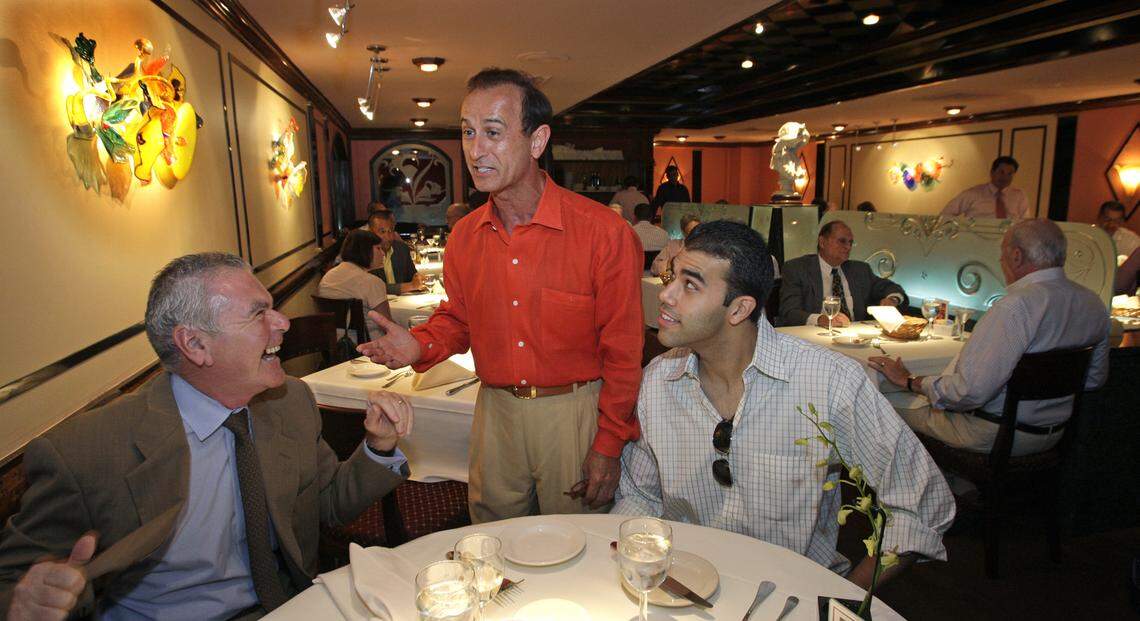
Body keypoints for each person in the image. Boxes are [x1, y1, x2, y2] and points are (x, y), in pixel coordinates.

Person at [0, 253, 412, 618]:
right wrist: (24, 599)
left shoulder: (290, 402)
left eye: (273, 308)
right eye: (258, 314)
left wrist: (378, 447)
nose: (283, 322)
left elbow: (327, 504)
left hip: (291, 605)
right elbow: (12, 578)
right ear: (196, 345)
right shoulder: (88, 451)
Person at [358, 68, 644, 523]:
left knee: (577, 547)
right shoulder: (466, 236)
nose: (475, 150)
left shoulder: (602, 233)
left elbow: (625, 354)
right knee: (492, 545)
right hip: (494, 412)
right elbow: (459, 320)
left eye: (492, 132)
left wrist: (609, 445)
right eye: (468, 133)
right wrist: (417, 344)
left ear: (537, 141)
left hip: (571, 413)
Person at [614, 221, 953, 587]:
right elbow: (640, 495)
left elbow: (922, 505)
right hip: (685, 585)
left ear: (739, 309)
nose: (666, 296)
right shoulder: (658, 382)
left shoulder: (828, 383)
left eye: (690, 285)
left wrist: (846, 600)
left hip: (793, 594)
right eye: (672, 277)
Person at [870, 219, 1109, 456]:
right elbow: (1094, 379)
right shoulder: (1093, 303)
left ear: (1016, 256)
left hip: (995, 433)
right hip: (1056, 434)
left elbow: (970, 392)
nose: (1001, 261)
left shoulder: (1015, 307)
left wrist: (910, 381)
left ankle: (920, 489)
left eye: (1002, 254)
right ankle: (953, 482)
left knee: (881, 404)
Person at [777, 221, 907, 328]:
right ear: (822, 242)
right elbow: (789, 312)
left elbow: (892, 288)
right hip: (814, 339)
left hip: (855, 338)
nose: (848, 247)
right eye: (842, 241)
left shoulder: (860, 270)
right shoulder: (798, 269)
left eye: (850, 242)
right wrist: (820, 319)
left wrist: (892, 299)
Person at [319, 229, 394, 341]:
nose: (383, 253)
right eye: (378, 248)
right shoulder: (371, 282)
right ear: (364, 250)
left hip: (334, 343)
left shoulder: (327, 277)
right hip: (370, 345)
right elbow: (387, 325)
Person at [941, 156, 1028, 219]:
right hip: (977, 241)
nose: (1005, 177)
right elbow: (945, 214)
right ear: (992, 172)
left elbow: (1025, 224)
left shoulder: (1019, 196)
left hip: (1008, 242)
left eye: (1010, 174)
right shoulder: (972, 193)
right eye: (1001, 172)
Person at [366, 208, 425, 294]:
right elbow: (372, 287)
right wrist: (410, 286)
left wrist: (418, 279)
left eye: (390, 231)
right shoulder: (365, 253)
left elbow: (413, 276)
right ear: (370, 232)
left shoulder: (401, 249)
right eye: (382, 232)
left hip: (402, 304)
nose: (388, 236)